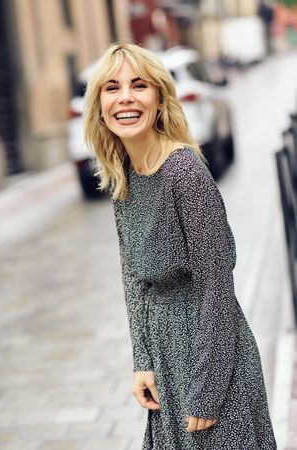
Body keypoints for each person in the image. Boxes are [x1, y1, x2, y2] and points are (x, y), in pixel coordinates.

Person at [84, 42, 277, 449]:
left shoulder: (185, 172)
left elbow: (217, 285)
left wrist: (208, 391)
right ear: (99, 104)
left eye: (139, 85)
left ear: (158, 98)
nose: (126, 98)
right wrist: (143, 362)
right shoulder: (125, 176)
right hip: (166, 358)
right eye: (112, 88)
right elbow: (133, 278)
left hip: (213, 360)